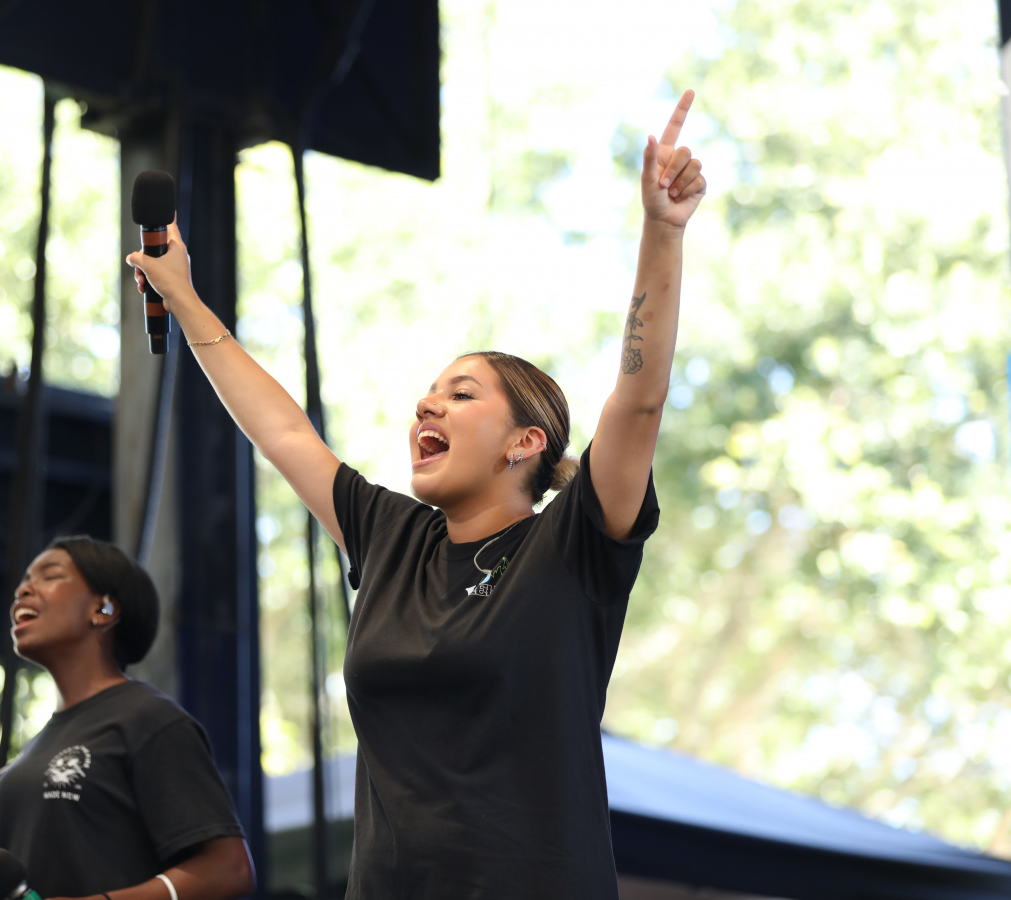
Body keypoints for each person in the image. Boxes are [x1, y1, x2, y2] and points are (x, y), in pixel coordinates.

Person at [127, 91, 707, 898]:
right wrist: (187, 300)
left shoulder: (572, 542)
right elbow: (284, 432)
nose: (427, 406)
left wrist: (662, 232)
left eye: (461, 395)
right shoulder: (392, 538)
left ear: (525, 442)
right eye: (428, 394)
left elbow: (639, 401)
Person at [0, 535, 256, 900]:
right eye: (23, 581)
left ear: (104, 610)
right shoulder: (31, 751)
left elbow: (230, 869)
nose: (23, 590)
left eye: (50, 576)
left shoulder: (148, 718)